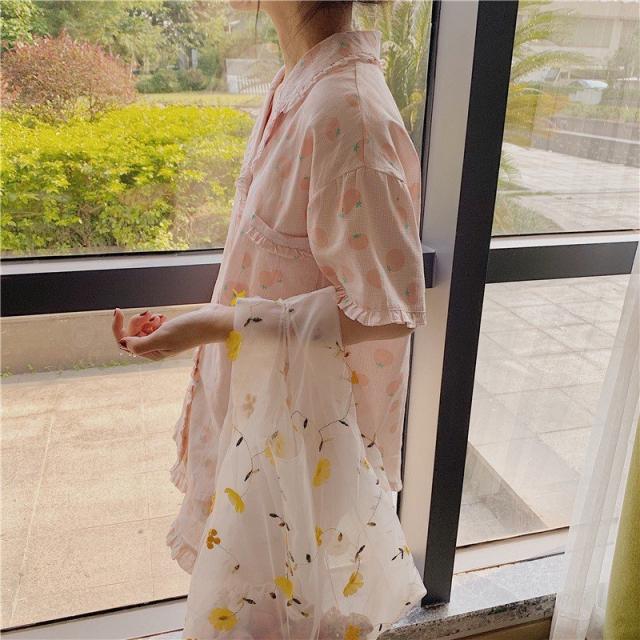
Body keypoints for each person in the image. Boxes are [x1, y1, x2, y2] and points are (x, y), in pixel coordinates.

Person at [112, 1, 428, 637]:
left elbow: (388, 310)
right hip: (262, 443)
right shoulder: (299, 87)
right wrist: (212, 320)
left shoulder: (348, 114)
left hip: (296, 465)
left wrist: (218, 325)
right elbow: (281, 272)